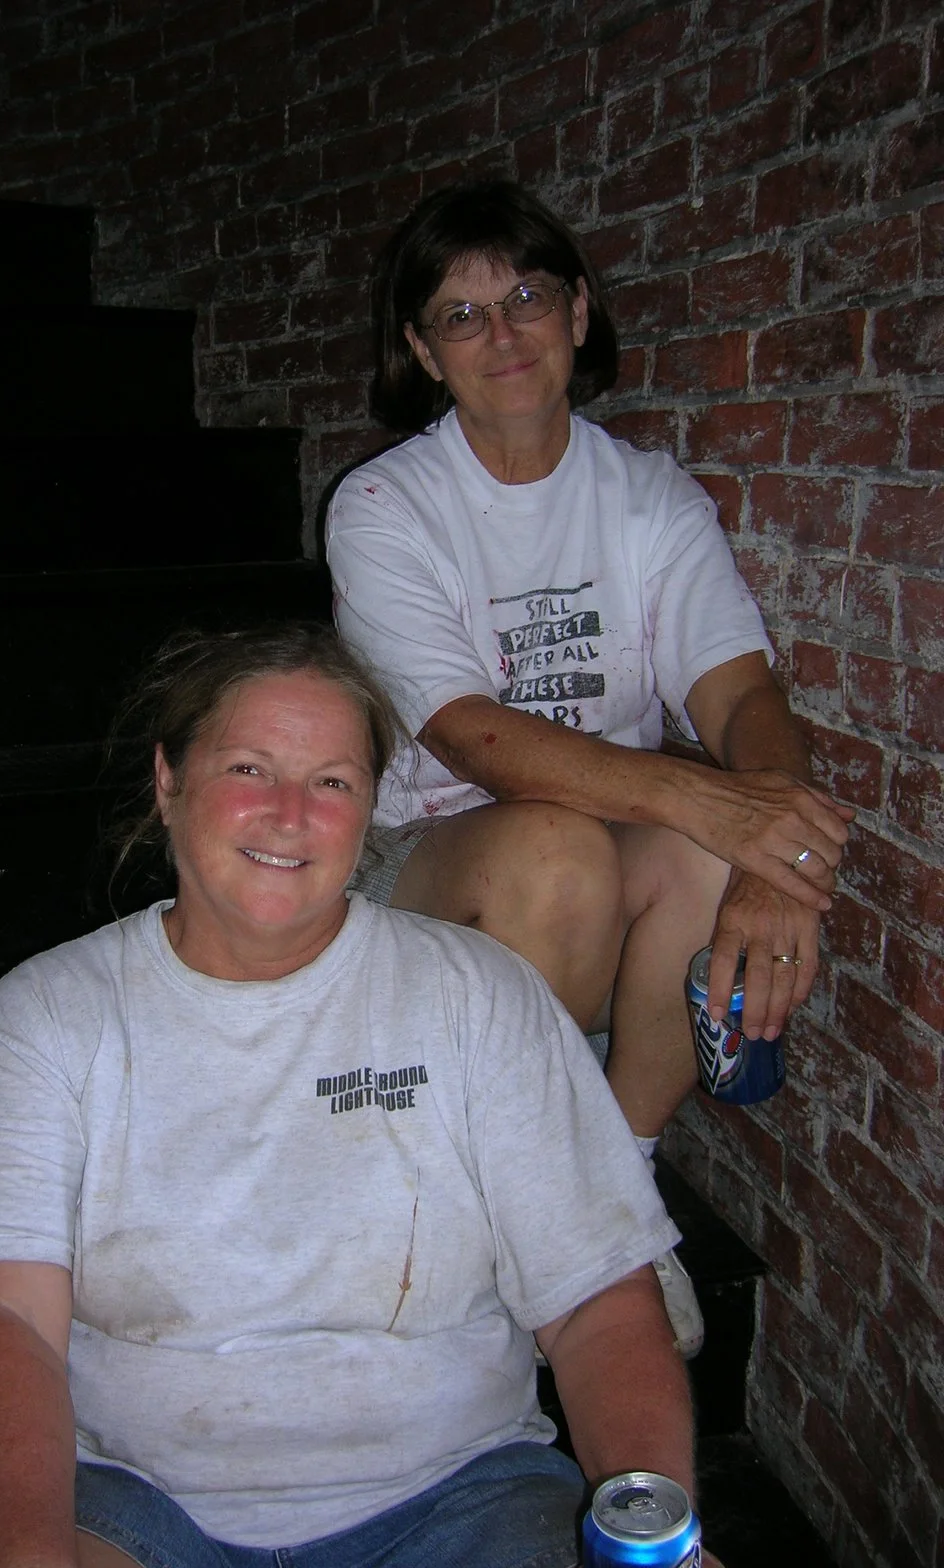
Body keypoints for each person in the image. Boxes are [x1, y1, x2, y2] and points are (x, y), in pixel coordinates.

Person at [0, 623, 737, 1568]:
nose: (289, 814)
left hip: (462, 1499)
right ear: (168, 782)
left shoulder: (478, 994)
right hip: (133, 1499)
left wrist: (649, 1545)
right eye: (248, 767)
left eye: (333, 782)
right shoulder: (45, 1018)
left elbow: (601, 1302)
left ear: (369, 813)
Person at [325, 180, 853, 1355]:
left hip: (593, 888)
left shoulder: (649, 499)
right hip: (434, 867)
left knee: (701, 852)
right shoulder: (383, 505)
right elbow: (470, 734)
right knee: (568, 844)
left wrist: (777, 866)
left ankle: (610, 1192)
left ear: (578, 313)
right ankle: (515, 1194)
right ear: (421, 351)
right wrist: (719, 804)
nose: (503, 335)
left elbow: (742, 697)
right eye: (461, 316)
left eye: (526, 297)